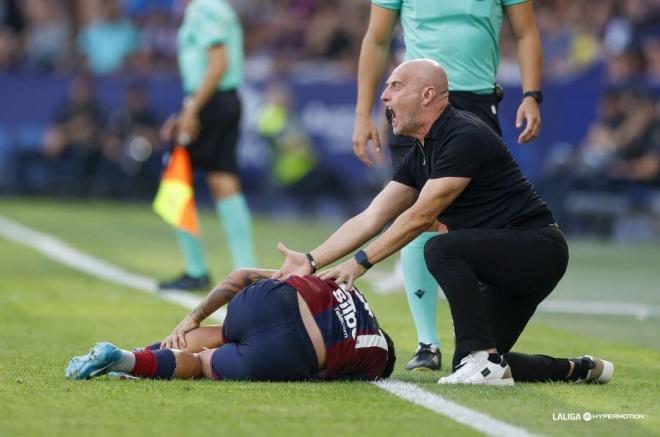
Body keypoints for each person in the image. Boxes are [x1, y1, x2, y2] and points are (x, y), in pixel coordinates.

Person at [274, 59, 613, 385]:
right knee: (475, 360)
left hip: (537, 249)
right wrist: (310, 260)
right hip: (506, 259)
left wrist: (361, 262)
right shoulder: (420, 151)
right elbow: (371, 216)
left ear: (426, 95)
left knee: (441, 249)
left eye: (395, 85)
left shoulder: (463, 134)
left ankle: (483, 359)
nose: (384, 95)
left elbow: (420, 217)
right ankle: (574, 369)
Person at [351, 0, 544, 371]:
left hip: (477, 102)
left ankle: (473, 331)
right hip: (415, 101)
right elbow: (376, 39)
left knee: (475, 219)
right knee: (417, 214)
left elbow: (526, 32)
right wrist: (362, 113)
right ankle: (427, 342)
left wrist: (532, 95)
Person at [65, 269, 395, 382]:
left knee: (222, 335)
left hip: (263, 301)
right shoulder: (377, 354)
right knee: (200, 363)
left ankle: (131, 357)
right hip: (287, 350)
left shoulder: (344, 284)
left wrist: (192, 317)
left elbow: (240, 277)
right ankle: (124, 359)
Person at [158, 0, 256, 291]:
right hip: (223, 100)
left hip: (208, 103)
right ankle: (246, 270)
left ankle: (195, 269)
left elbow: (218, 62)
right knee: (223, 180)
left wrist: (191, 109)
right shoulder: (221, 7)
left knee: (174, 177)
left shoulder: (202, 9)